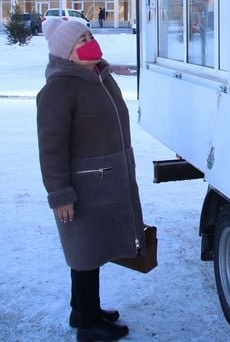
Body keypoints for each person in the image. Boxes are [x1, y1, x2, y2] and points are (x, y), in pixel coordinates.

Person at [36, 18, 145, 342]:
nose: (90, 42)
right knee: (85, 254)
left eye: (90, 35)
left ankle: (83, 309)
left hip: (104, 180)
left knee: (90, 252)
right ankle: (88, 325)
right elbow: (51, 149)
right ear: (66, 53)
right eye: (82, 39)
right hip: (83, 188)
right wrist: (60, 194)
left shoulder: (97, 76)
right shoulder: (59, 88)